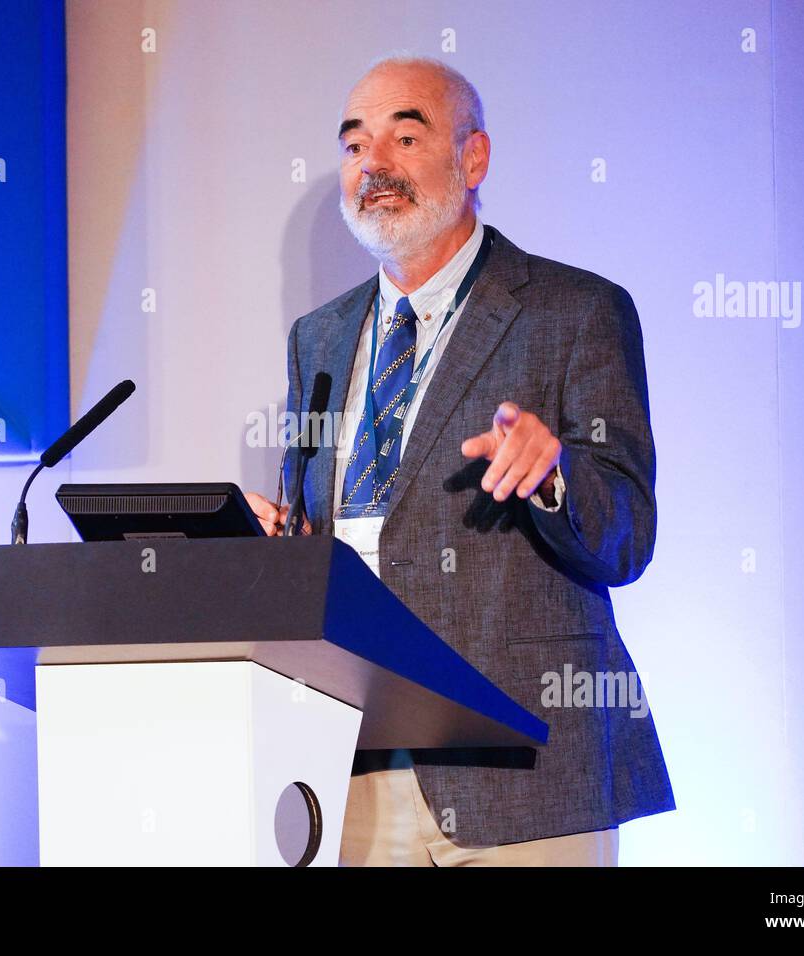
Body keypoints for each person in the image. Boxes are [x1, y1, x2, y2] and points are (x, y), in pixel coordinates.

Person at [247, 54, 675, 866]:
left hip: (526, 767)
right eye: (353, 147)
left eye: (406, 137)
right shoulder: (321, 338)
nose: (374, 164)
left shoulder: (575, 310)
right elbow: (343, 527)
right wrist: (283, 553)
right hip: (355, 765)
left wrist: (555, 477)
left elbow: (628, 537)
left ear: (472, 159)